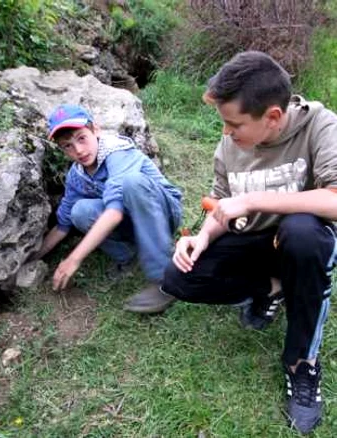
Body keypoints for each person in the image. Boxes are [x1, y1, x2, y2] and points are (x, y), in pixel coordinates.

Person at [161, 51, 337, 434]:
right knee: (177, 277)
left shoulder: (320, 126)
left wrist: (254, 200)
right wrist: (203, 237)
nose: (226, 133)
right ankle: (273, 288)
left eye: (233, 124)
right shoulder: (228, 145)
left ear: (272, 116)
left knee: (303, 234)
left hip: (302, 240)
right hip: (253, 239)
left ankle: (301, 365)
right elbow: (220, 205)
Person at [32, 103, 183, 313]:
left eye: (81, 138)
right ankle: (128, 256)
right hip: (130, 219)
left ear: (96, 130)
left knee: (132, 183)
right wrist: (30, 259)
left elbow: (113, 212)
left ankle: (165, 280)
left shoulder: (117, 152)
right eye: (67, 146)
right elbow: (62, 226)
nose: (78, 150)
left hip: (163, 214)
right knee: (79, 211)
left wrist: (73, 259)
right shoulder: (77, 176)